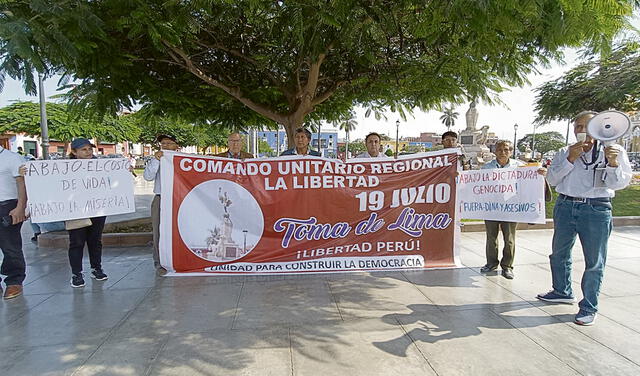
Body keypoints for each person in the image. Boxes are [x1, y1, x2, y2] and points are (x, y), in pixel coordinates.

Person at [537, 111, 632, 326]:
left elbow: (618, 184)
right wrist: (570, 159)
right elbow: (552, 179)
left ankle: (589, 306)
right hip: (566, 205)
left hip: (596, 208)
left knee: (594, 261)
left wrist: (613, 163)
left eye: (586, 126)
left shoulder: (613, 151)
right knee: (559, 253)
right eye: (577, 127)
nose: (581, 131)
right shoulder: (565, 151)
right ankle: (561, 290)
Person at [479, 140, 546, 279]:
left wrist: (540, 174)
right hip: (492, 206)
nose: (503, 152)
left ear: (511, 151)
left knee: (509, 238)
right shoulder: (486, 168)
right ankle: (491, 263)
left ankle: (507, 266)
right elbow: (478, 185)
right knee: (491, 237)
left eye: (506, 149)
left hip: (511, 207)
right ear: (495, 151)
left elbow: (529, 185)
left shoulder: (521, 167)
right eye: (500, 149)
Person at [66, 138, 109, 288]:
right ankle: (76, 273)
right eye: (84, 150)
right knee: (76, 241)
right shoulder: (63, 168)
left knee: (95, 240)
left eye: (90, 149)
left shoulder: (101, 166)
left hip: (97, 208)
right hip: (76, 210)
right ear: (74, 152)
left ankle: (96, 268)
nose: (88, 152)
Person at [144, 134, 180, 274]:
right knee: (158, 232)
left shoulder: (182, 159)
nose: (165, 146)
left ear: (176, 146)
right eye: (163, 143)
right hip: (161, 198)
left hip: (178, 199)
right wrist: (156, 160)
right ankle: (159, 263)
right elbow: (148, 176)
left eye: (169, 143)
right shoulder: (157, 160)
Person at [0, 145, 27, 299]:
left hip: (7, 207)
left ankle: (14, 281)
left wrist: (20, 208)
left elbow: (22, 183)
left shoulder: (12, 158)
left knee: (10, 246)